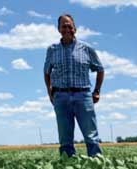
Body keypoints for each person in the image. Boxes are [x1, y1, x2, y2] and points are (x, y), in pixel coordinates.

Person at [44, 14, 104, 157]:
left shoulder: (86, 48)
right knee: (65, 138)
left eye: (69, 26)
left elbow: (100, 69)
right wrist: (50, 91)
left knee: (91, 136)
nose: (67, 29)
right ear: (58, 29)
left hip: (83, 95)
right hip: (61, 96)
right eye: (63, 26)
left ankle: (97, 165)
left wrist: (96, 91)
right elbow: (46, 72)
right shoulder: (52, 50)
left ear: (75, 29)